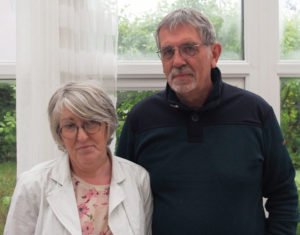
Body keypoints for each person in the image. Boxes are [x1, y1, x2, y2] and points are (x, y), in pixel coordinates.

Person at [116, 8, 298, 235]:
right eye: (167, 52)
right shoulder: (141, 120)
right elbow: (120, 201)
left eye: (188, 48)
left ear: (214, 53)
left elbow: (284, 195)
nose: (178, 61)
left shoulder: (256, 113)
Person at [4, 81, 153, 235]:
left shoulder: (138, 179)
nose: (81, 137)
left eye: (91, 123)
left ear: (107, 125)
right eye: (69, 126)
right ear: (59, 134)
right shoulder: (33, 185)